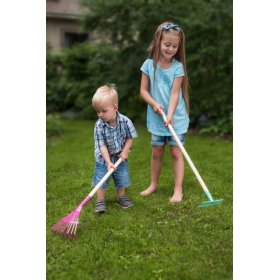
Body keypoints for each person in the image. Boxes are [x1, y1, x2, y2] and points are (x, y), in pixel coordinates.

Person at [139, 22, 190, 203]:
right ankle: (153, 184)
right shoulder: (148, 65)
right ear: (158, 41)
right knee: (157, 152)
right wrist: (154, 103)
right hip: (156, 116)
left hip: (175, 117)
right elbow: (143, 91)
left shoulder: (177, 67)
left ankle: (178, 189)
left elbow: (175, 93)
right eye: (167, 45)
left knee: (176, 153)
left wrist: (169, 114)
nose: (171, 49)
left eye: (175, 46)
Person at [91, 84, 138, 213]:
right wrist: (108, 162)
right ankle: (100, 200)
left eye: (103, 111)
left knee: (122, 177)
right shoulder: (99, 125)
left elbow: (130, 137)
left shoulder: (126, 122)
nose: (100, 114)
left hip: (120, 156)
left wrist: (124, 152)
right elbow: (102, 145)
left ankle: (120, 197)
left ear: (115, 107)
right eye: (97, 111)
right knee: (102, 179)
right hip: (103, 157)